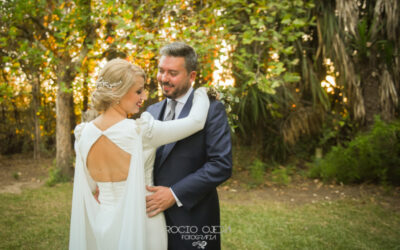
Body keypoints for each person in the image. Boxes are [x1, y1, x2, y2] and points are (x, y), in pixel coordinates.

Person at [69, 58, 210, 250]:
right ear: (117, 92)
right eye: (138, 91)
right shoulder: (141, 131)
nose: (143, 96)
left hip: (103, 223)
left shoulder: (83, 134)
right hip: (145, 221)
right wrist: (203, 92)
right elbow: (196, 122)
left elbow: (92, 187)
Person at [146, 42, 232, 250]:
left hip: (193, 220)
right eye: (161, 71)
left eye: (172, 73)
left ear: (191, 76)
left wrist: (174, 193)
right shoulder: (151, 111)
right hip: (149, 220)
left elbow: (221, 164)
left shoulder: (212, 110)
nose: (164, 78)